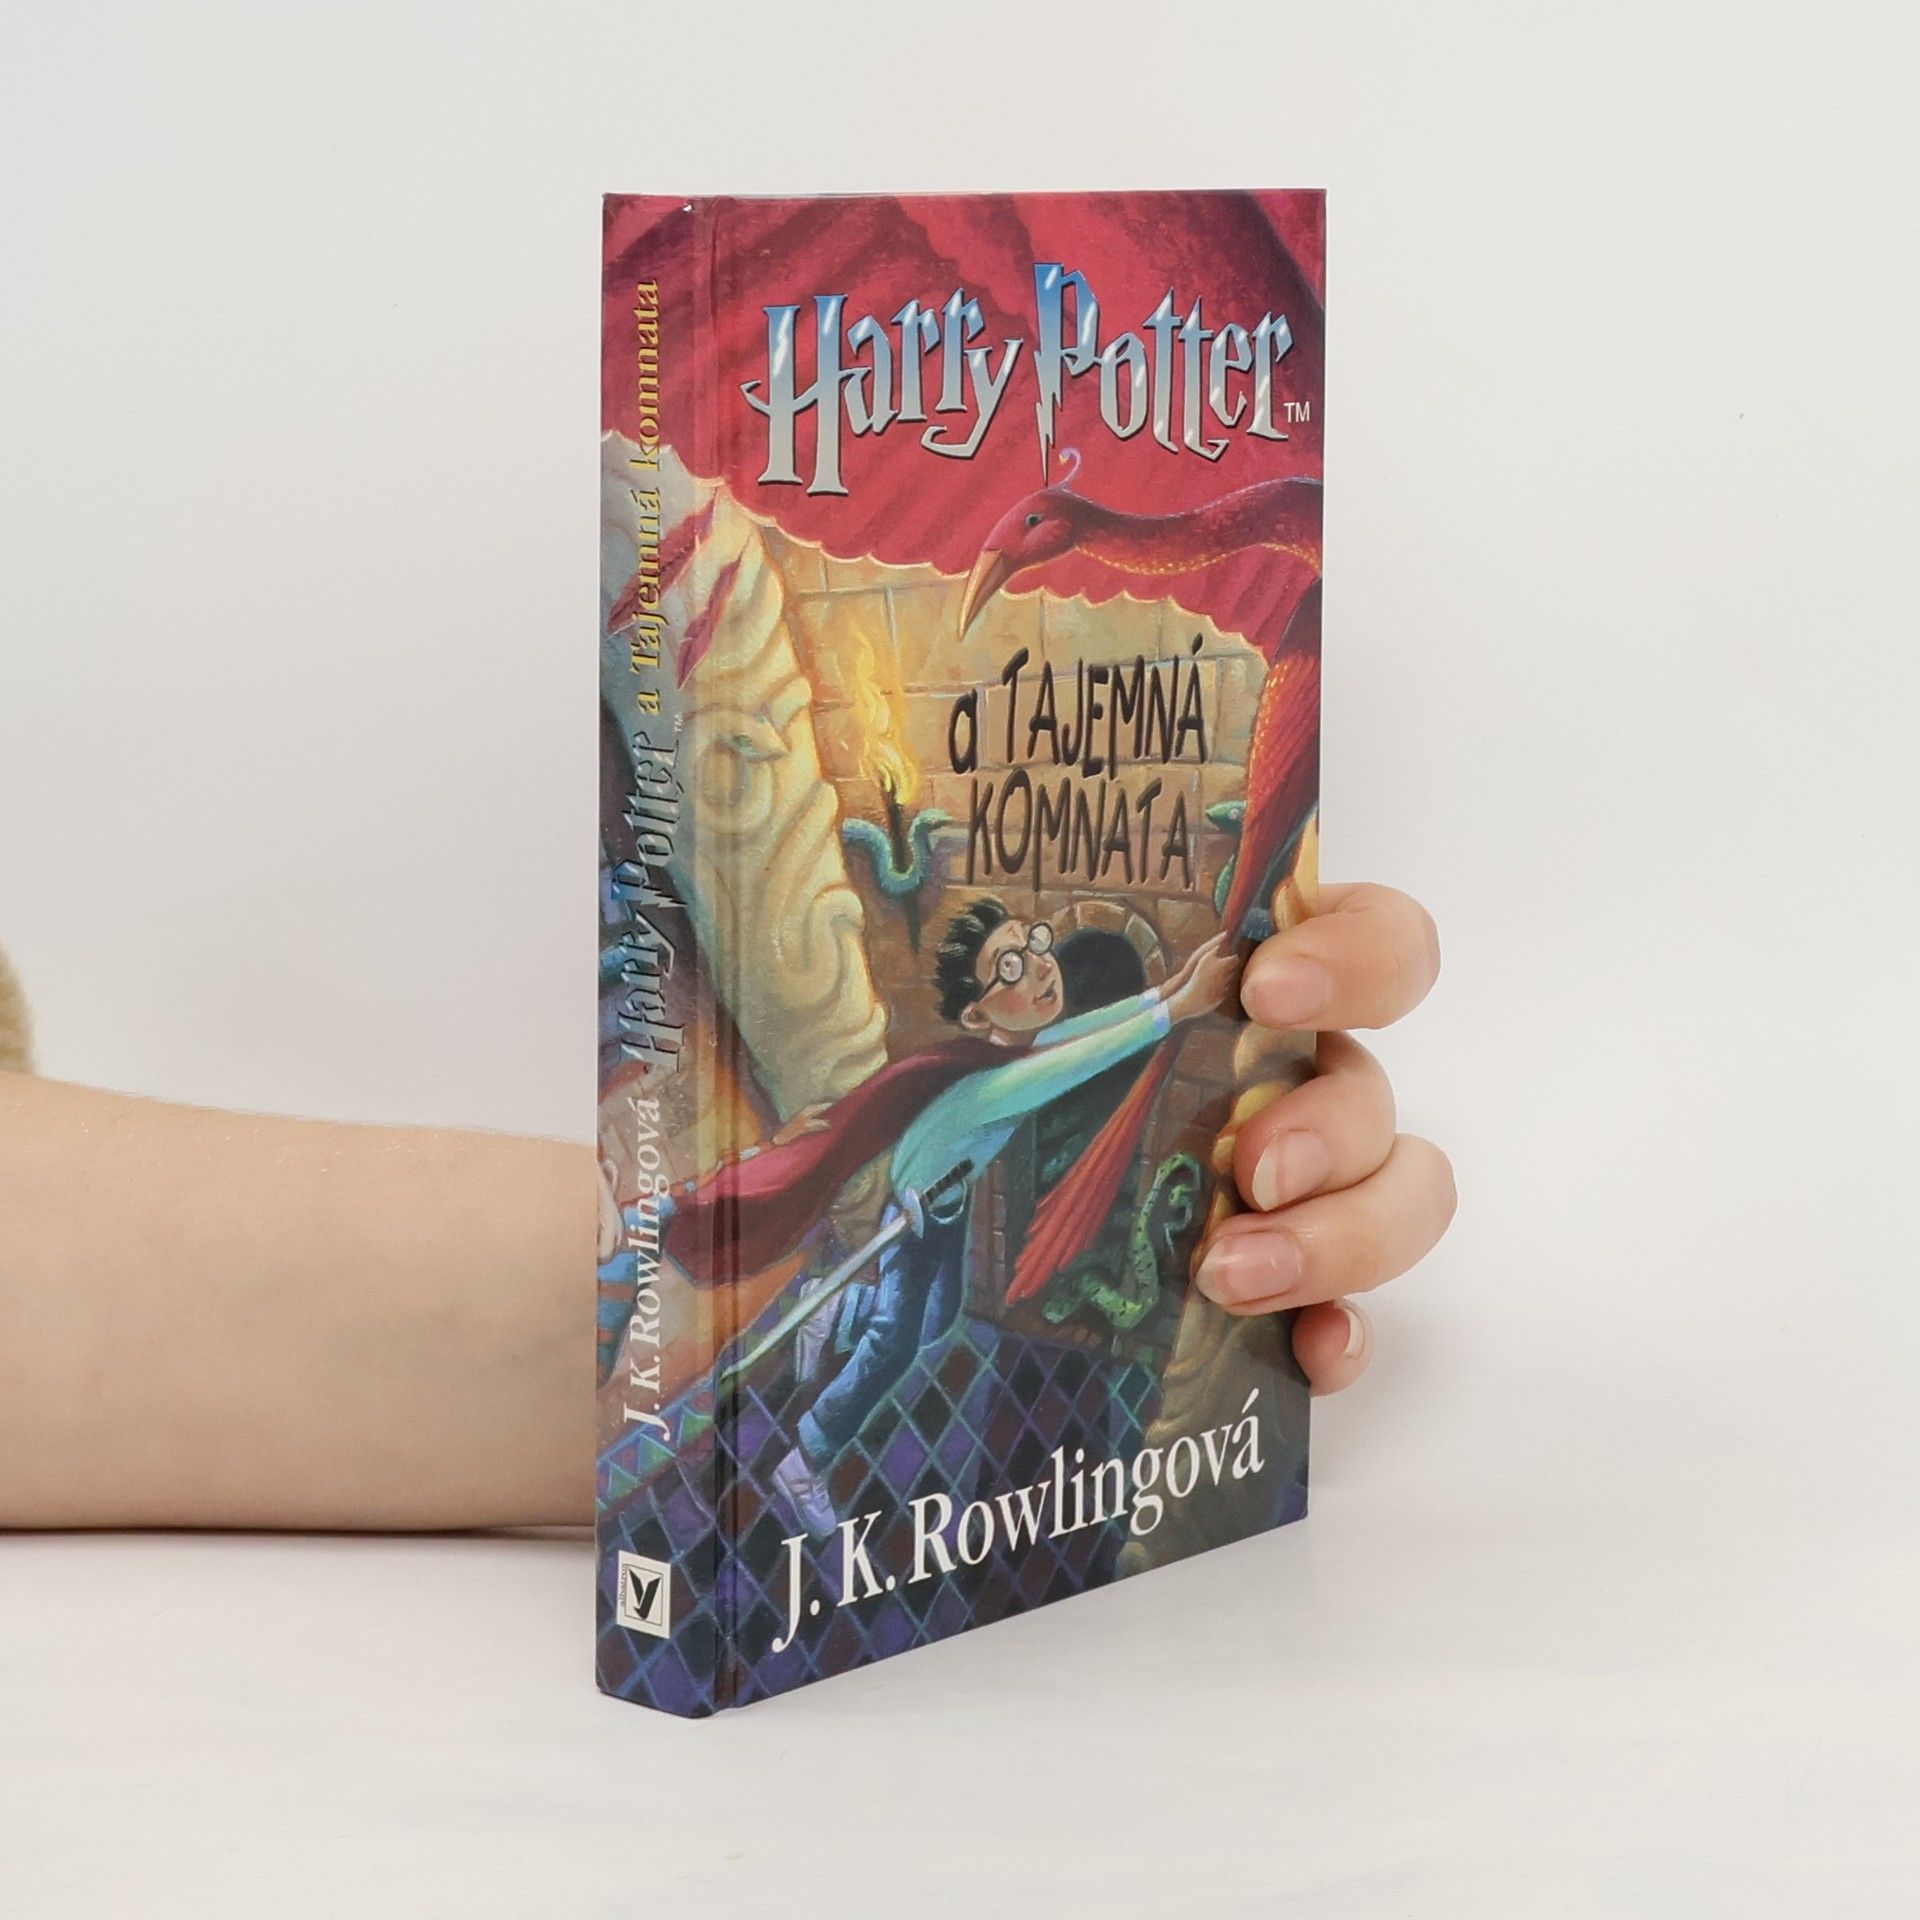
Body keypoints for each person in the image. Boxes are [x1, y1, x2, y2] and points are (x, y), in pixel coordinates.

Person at [0, 884, 1453, 1533]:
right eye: (1012, 965)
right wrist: (1171, 1009)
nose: (1033, 974)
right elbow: (1052, 1069)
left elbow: (82, 1285)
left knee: (888, 1337)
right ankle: (808, 1448)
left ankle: (804, 1414)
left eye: (1033, 958)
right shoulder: (967, 1083)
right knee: (888, 1337)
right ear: (977, 1003)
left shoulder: (966, 1073)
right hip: (907, 1243)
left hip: (881, 1261)